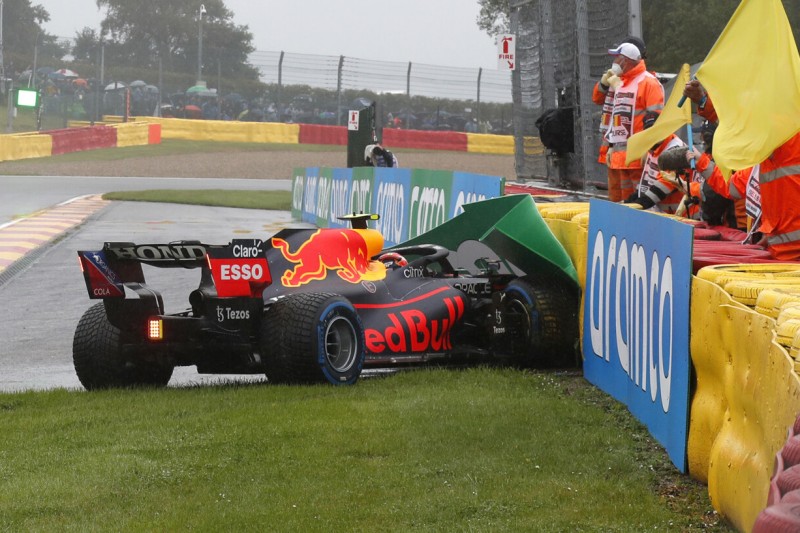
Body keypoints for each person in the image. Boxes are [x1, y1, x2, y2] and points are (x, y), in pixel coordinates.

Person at [592, 40, 665, 202]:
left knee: (636, 202)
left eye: (617, 58)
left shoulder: (647, 82)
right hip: (619, 157)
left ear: (625, 61)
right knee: (618, 203)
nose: (615, 62)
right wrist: (611, 145)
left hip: (636, 158)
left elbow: (656, 119)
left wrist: (649, 149)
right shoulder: (619, 81)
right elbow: (609, 109)